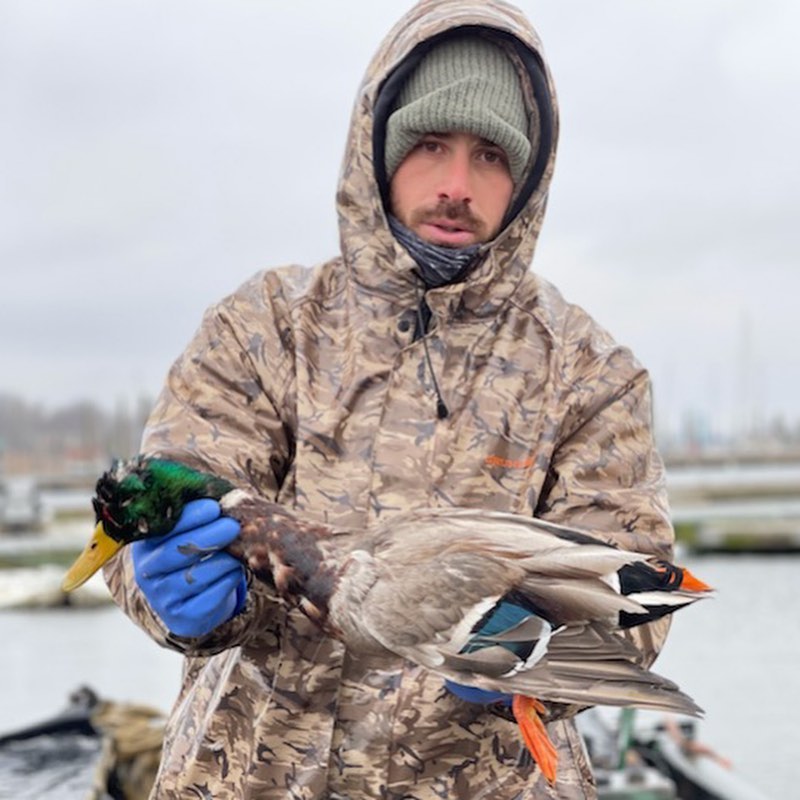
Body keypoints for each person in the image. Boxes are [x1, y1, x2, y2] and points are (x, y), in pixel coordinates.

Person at [105, 1, 675, 798]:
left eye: (489, 156)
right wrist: (163, 587)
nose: (454, 186)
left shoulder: (590, 373)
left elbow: (640, 597)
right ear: (377, 145)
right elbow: (159, 507)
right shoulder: (263, 327)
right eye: (430, 145)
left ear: (530, 174)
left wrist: (537, 662)